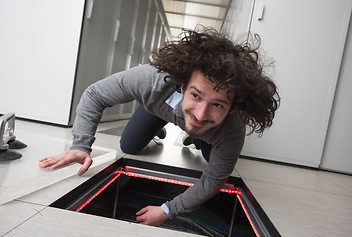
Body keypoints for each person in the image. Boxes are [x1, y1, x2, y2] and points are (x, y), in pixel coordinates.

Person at [39, 26, 280, 226]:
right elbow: (95, 95)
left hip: (210, 135)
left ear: (233, 108)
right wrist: (81, 145)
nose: (201, 113)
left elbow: (211, 181)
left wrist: (167, 209)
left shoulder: (231, 132)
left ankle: (195, 137)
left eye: (217, 105)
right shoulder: (150, 81)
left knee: (209, 155)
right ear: (183, 86)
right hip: (157, 109)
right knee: (129, 145)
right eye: (196, 95)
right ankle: (161, 126)